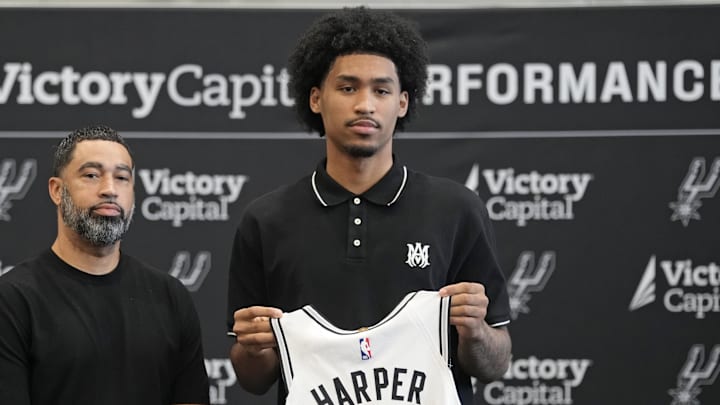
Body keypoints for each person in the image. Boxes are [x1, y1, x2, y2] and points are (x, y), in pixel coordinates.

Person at [226, 7, 512, 404]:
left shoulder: (457, 209)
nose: (365, 105)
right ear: (315, 98)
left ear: (402, 102)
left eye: (381, 90)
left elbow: (496, 363)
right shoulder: (266, 220)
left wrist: (476, 331)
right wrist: (253, 348)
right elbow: (253, 379)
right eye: (347, 88)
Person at [0, 125, 210, 405]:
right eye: (91, 175)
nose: (110, 189)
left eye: (122, 177)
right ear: (57, 190)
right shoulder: (13, 299)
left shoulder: (170, 296)